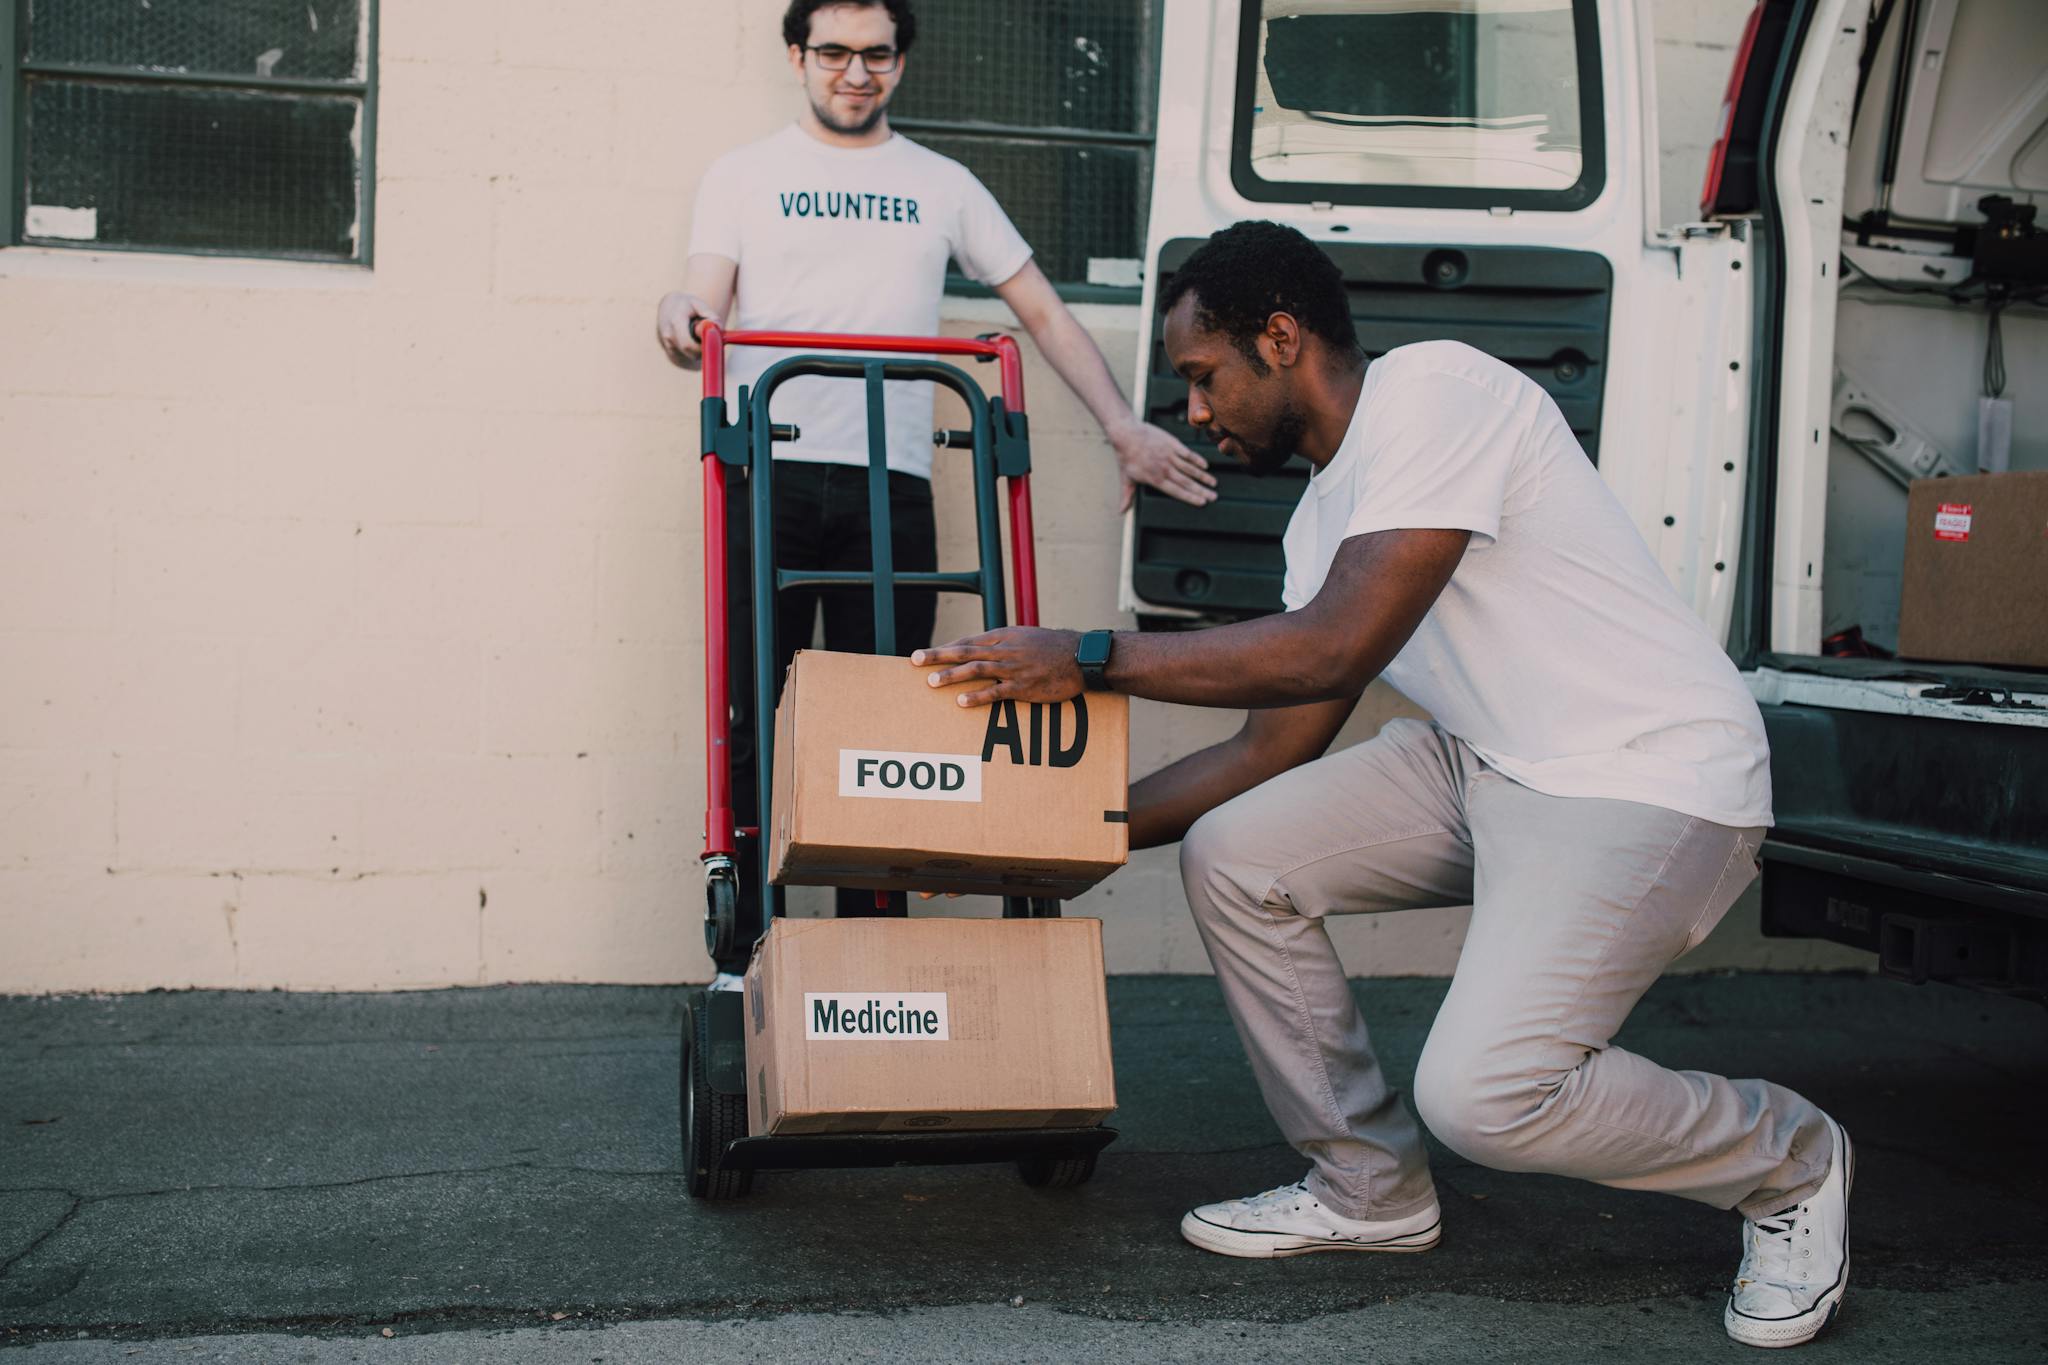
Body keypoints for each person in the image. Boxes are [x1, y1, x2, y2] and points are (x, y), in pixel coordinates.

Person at [911, 221, 1852, 1350]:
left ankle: (1789, 1159)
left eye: (1202, 378)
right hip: (1486, 758)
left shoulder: (1436, 393)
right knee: (1238, 852)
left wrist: (1090, 654)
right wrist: (1061, 833)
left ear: (1278, 336)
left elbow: (1331, 648)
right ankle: (1369, 1190)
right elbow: (1264, 754)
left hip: (1643, 775)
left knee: (1488, 1099)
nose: (1194, 413)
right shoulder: (1321, 524)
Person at [659, 0, 1213, 919]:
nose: (855, 72)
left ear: (900, 64)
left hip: (894, 484)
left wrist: (1124, 425)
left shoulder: (939, 182)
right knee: (759, 718)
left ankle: (869, 948)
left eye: (876, 54)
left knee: (884, 724)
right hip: (771, 474)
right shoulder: (744, 175)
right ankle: (756, 957)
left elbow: (1038, 309)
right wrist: (677, 319)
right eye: (833, 52)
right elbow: (697, 301)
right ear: (799, 56)